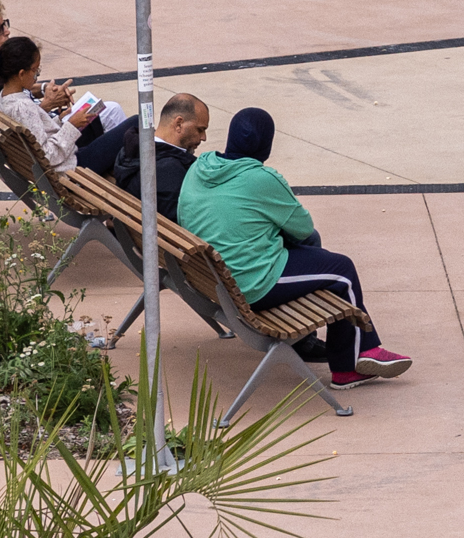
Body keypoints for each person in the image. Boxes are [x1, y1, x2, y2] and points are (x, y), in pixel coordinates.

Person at [176, 106, 411, 387]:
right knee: (341, 270)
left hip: (212, 278)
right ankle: (350, 365)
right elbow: (302, 227)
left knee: (319, 259)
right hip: (251, 284)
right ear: (267, 144)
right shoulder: (262, 178)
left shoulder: (200, 167)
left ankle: (353, 350)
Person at [0, 0, 100, 164]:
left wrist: (44, 89)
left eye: (4, 24)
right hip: (54, 150)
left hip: (47, 134)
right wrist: (48, 104)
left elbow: (16, 97)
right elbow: (22, 125)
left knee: (102, 113)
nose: (7, 31)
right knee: (108, 115)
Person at [74, 88, 208, 220]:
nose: (204, 137)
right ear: (179, 124)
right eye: (200, 130)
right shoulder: (171, 170)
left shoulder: (128, 151)